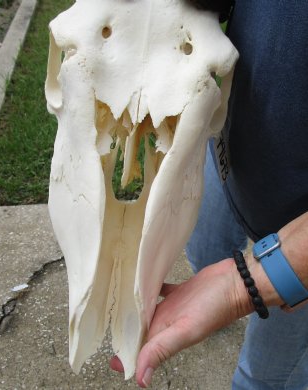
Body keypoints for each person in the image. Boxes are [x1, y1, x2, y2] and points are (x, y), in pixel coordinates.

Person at [111, 1, 308, 388]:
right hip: (228, 149)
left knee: (262, 380)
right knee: (203, 252)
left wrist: (243, 287)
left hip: (298, 240)